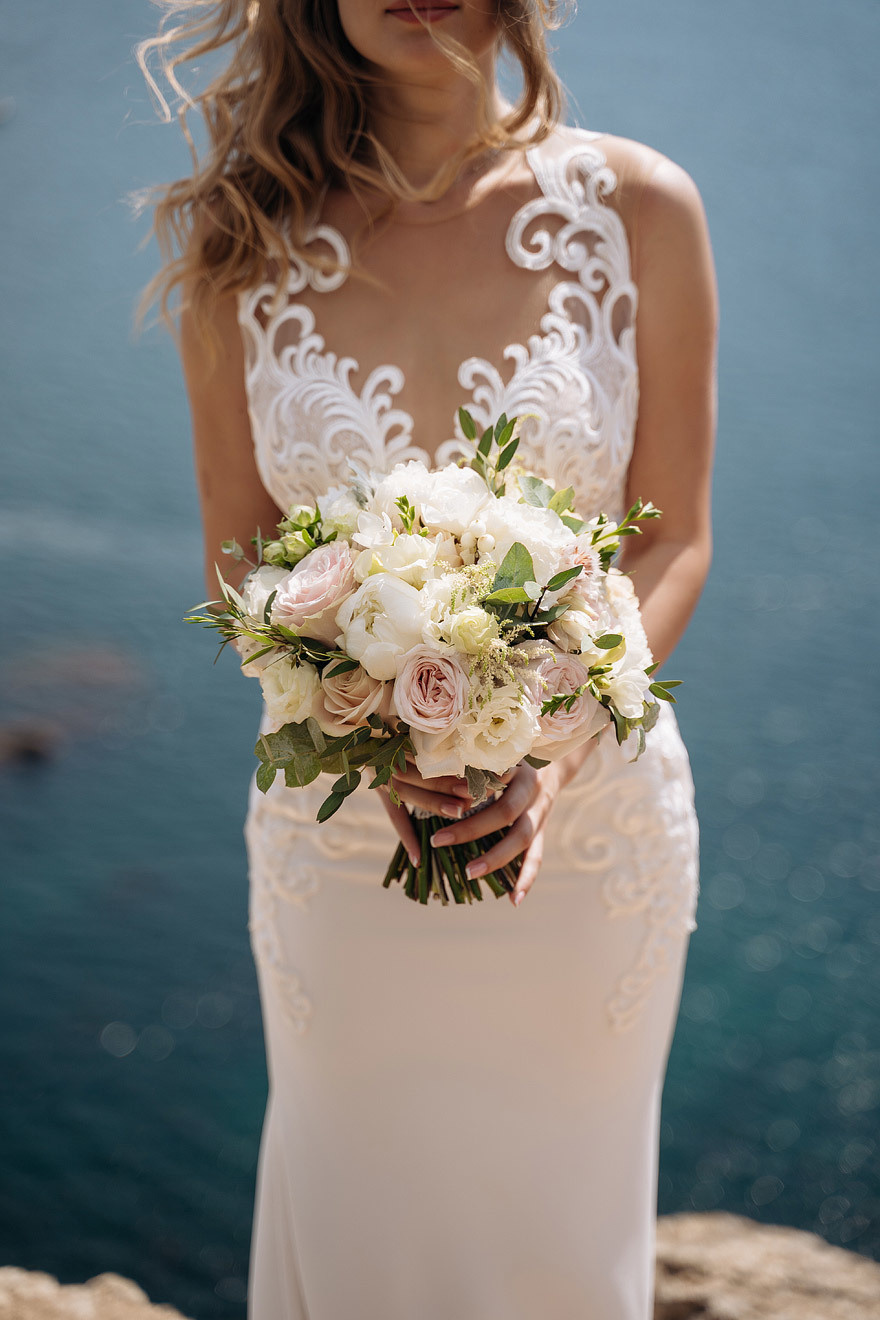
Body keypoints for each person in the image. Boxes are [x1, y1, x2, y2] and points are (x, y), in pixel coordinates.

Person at [137, 0, 717, 1315]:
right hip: (344, 836)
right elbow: (238, 551)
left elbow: (676, 533)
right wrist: (364, 724)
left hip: (590, 838)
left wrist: (553, 746)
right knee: (363, 1217)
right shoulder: (239, 242)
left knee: (564, 1233)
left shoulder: (640, 209)